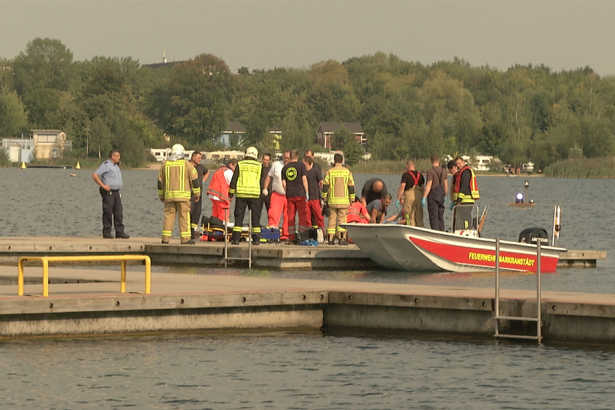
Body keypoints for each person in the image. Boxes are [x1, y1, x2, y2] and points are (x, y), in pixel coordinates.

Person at [158, 144, 200, 244]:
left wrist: (161, 195)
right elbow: (194, 181)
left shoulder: (165, 165)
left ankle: (165, 239)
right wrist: (197, 194)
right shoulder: (187, 165)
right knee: (184, 217)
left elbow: (160, 182)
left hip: (169, 196)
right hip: (183, 197)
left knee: (168, 217)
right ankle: (185, 240)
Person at [229, 147, 263, 245]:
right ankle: (256, 240)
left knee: (239, 217)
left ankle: (235, 239)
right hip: (255, 195)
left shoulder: (240, 164)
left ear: (246, 154)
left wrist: (231, 193)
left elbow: (234, 179)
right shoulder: (259, 166)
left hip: (241, 194)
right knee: (256, 218)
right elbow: (261, 180)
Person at [92, 149, 129, 239]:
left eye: (119, 156)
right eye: (117, 156)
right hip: (108, 192)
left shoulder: (116, 166)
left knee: (118, 212)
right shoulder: (106, 165)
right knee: (108, 212)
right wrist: (103, 186)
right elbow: (95, 175)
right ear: (113, 156)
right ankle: (107, 232)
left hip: (116, 192)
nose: (119, 158)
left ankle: (119, 232)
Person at [322, 153, 355, 245]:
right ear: (342, 161)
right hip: (344, 201)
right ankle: (342, 239)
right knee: (342, 220)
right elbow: (351, 186)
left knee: (332, 220)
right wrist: (352, 199)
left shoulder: (330, 172)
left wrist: (324, 197)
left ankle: (330, 239)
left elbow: (325, 186)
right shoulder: (347, 172)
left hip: (332, 200)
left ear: (334, 161)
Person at [282, 150, 310, 242]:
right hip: (300, 195)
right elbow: (304, 179)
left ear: (290, 157)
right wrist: (307, 192)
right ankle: (302, 237)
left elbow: (284, 183)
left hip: (290, 195)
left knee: (290, 217)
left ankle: (291, 237)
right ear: (297, 157)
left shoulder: (285, 168)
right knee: (302, 216)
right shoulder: (301, 166)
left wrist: (287, 191)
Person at [263, 151, 290, 240]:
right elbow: (269, 176)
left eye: (288, 158)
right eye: (285, 157)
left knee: (288, 217)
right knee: (273, 214)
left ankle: (286, 235)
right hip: (277, 194)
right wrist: (265, 188)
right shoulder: (276, 164)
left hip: (289, 196)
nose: (286, 160)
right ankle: (272, 234)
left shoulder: (294, 167)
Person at [451, 156, 480, 231]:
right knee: (463, 217)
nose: (458, 165)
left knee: (465, 216)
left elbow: (464, 186)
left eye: (459, 163)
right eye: (457, 164)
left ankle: (468, 230)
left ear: (463, 162)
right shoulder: (461, 172)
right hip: (464, 200)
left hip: (467, 199)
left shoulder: (466, 172)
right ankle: (465, 229)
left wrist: (459, 200)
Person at [422, 155, 448, 231]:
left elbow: (429, 185)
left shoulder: (430, 171)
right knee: (440, 216)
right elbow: (446, 185)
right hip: (441, 195)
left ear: (431, 161)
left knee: (433, 216)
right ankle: (442, 231)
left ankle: (435, 232)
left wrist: (424, 197)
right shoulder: (444, 171)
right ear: (438, 161)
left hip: (433, 196)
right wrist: (445, 196)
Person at [396, 160, 425, 227]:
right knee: (419, 214)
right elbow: (423, 188)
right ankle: (420, 228)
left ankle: (409, 226)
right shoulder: (420, 175)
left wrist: (398, 198)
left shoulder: (405, 175)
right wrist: (423, 198)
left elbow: (402, 186)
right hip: (418, 195)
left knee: (408, 214)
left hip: (409, 195)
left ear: (407, 166)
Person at [302, 155, 325, 237]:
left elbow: (321, 183)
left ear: (308, 163)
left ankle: (322, 233)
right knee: (307, 217)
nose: (302, 165)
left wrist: (322, 197)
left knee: (319, 216)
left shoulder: (315, 171)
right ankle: (309, 234)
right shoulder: (302, 172)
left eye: (303, 163)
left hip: (315, 198)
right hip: (306, 199)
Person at [189, 151, 209, 239]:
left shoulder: (201, 167)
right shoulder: (188, 166)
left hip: (199, 193)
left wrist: (203, 181)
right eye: (198, 158)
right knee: (189, 212)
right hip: (190, 194)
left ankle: (193, 231)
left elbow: (207, 172)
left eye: (200, 158)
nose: (199, 160)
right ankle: (188, 231)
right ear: (193, 157)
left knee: (197, 212)